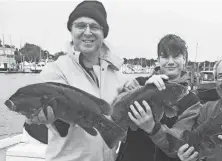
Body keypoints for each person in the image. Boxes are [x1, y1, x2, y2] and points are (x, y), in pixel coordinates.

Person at [24, 1, 138, 161]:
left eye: (95, 26)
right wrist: (41, 118)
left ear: (104, 32)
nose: (87, 32)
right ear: (71, 30)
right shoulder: (55, 71)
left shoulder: (118, 73)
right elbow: (47, 116)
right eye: (80, 25)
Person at [116, 34, 200, 161]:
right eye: (165, 56)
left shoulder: (192, 102)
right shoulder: (139, 82)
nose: (170, 61)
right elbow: (116, 106)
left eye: (176, 56)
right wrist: (143, 89)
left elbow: (178, 144)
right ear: (158, 60)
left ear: (185, 60)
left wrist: (152, 128)